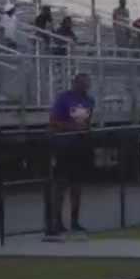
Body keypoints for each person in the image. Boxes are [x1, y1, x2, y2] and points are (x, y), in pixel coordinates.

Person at [45, 72, 96, 240]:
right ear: (76, 83)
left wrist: (86, 131)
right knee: (60, 185)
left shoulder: (89, 100)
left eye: (87, 83)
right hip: (64, 146)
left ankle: (75, 220)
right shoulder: (63, 99)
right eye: (83, 83)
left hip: (80, 147)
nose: (86, 86)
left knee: (77, 186)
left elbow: (87, 121)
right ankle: (56, 220)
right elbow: (53, 122)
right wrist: (70, 128)